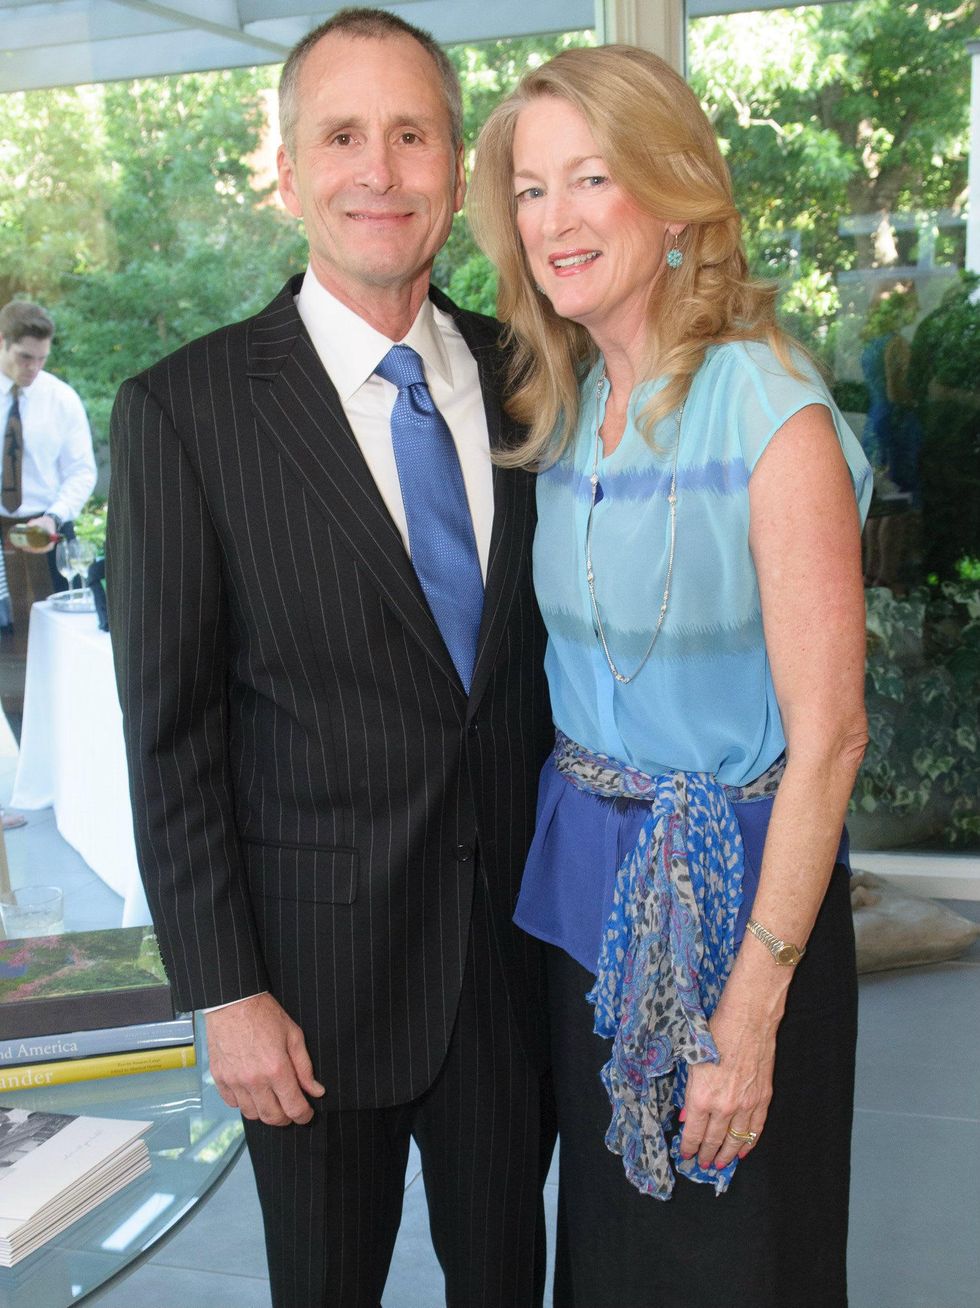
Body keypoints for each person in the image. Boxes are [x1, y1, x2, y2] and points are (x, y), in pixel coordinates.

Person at [107, 8, 553, 1307]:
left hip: (512, 974)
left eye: (411, 135)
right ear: (290, 172)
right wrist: (225, 991)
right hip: (305, 991)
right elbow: (170, 737)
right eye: (343, 136)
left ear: (456, 164)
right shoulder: (183, 413)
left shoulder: (536, 377)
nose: (380, 170)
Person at [470, 44, 872, 1307]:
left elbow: (832, 742)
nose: (553, 220)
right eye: (529, 191)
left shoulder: (769, 409)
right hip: (585, 906)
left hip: (742, 919)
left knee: (738, 1263)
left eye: (590, 177)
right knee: (615, 1264)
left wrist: (749, 1013)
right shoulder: (567, 403)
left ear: (675, 190)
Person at [0, 300, 97, 756]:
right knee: (5, 653)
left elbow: (82, 471)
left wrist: (54, 516)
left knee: (51, 647)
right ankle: (19, 763)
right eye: (24, 357)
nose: (34, 367)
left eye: (41, 357)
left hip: (47, 531)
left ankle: (59, 759)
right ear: (3, 344)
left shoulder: (61, 398)